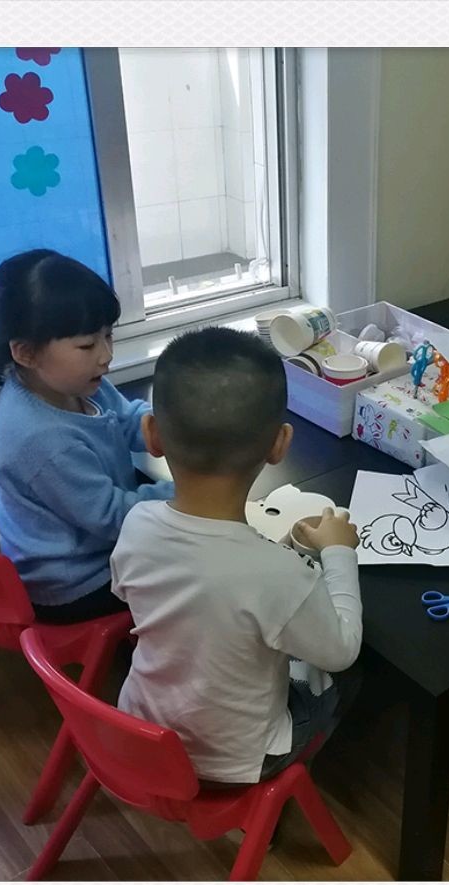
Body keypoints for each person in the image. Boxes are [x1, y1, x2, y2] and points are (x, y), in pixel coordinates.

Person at [111, 327, 362, 786]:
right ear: (280, 444)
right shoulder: (277, 575)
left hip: (144, 732)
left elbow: (162, 591)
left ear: (152, 435)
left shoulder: (137, 523)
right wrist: (339, 550)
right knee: (347, 677)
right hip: (233, 761)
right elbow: (342, 650)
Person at [0, 249, 174, 622]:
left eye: (108, 335)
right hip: (74, 583)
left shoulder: (74, 382)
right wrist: (188, 492)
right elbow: (113, 516)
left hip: (97, 539)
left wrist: (169, 429)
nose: (106, 355)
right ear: (26, 353)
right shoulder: (41, 439)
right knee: (194, 568)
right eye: (87, 345)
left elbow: (125, 418)